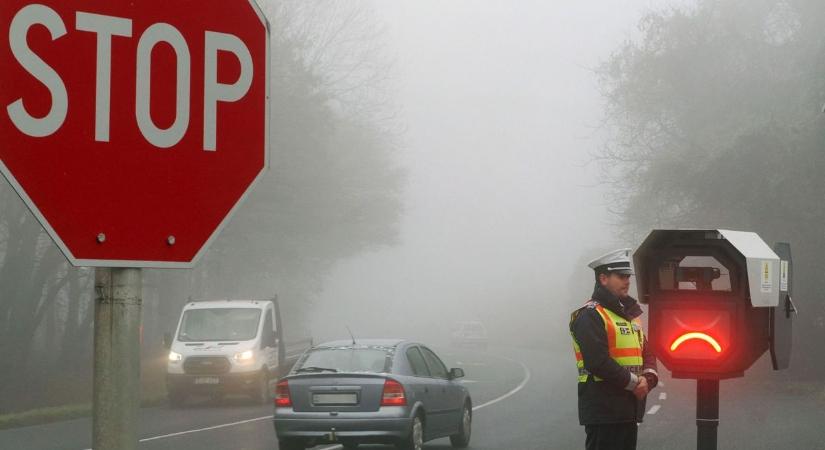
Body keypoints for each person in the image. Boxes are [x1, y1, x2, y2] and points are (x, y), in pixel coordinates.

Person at [569, 248, 659, 450]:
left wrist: (649, 379)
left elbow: (647, 352)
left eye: (628, 276)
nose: (627, 281)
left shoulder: (629, 315)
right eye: (621, 276)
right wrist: (636, 383)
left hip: (628, 409)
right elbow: (597, 361)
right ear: (603, 278)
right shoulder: (590, 315)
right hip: (604, 411)